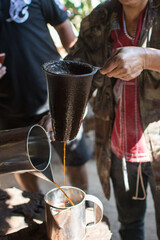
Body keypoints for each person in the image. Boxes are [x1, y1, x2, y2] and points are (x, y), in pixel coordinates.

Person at [57, 0, 159, 239]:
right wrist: (63, 110)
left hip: (157, 148)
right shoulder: (101, 17)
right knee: (130, 224)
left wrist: (146, 58)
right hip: (119, 147)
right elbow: (78, 69)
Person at [0, 0, 91, 193]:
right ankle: (37, 205)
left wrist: (74, 92)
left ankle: (80, 204)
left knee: (74, 158)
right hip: (8, 104)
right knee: (23, 162)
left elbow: (71, 43)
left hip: (54, 97)